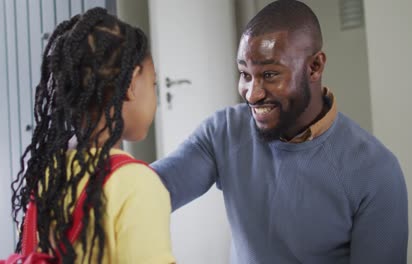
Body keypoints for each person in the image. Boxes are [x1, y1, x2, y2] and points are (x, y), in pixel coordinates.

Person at [151, 1, 408, 263]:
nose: (252, 94)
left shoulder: (376, 171)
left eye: (270, 74)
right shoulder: (223, 131)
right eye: (245, 74)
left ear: (315, 67)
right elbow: (149, 191)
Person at [10, 7, 175, 264]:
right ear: (131, 84)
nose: (155, 97)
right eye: (153, 83)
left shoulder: (48, 174)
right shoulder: (137, 184)